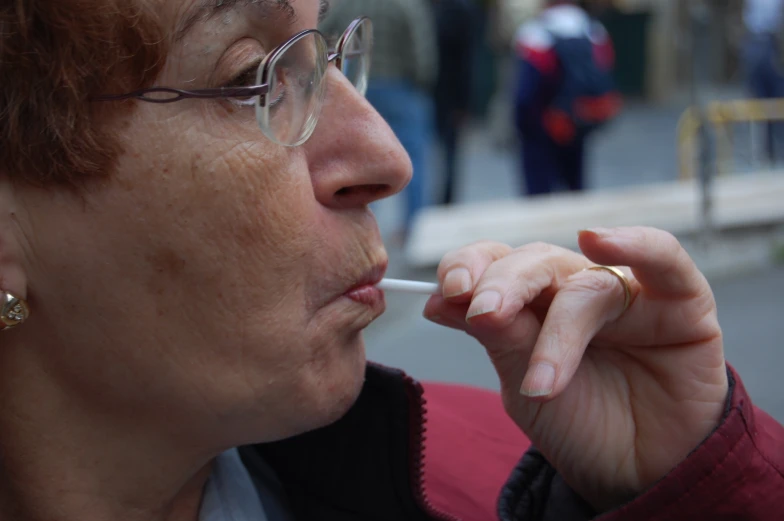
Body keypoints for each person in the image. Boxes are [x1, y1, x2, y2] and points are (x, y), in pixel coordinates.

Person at [0, 2, 782, 521]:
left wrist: (684, 485)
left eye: (328, 54)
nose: (387, 157)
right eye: (256, 78)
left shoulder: (505, 473)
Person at [320, 0, 437, 237]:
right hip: (400, 87)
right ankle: (415, 228)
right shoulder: (408, 6)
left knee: (364, 160)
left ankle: (365, 224)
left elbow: (321, 34)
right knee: (413, 158)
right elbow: (422, 50)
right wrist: (422, 81)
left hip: (360, 85)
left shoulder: (347, 5)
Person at [512, 0, 620, 196]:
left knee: (538, 196)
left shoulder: (534, 33)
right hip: (577, 121)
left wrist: (522, 128)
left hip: (542, 127)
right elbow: (605, 67)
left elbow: (525, 96)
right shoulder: (592, 29)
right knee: (576, 190)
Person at [432, 0, 476, 205]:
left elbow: (466, 60)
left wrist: (463, 103)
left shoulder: (458, 10)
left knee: (449, 148)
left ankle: (446, 197)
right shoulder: (440, 8)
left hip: (449, 92)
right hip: (436, 90)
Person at [743, 0, 784, 163]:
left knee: (771, 102)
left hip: (762, 44)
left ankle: (769, 150)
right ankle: (769, 150)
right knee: (768, 102)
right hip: (764, 44)